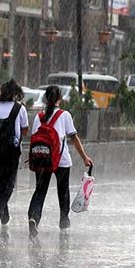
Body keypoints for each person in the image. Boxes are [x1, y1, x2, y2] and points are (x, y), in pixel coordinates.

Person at [27, 85, 93, 236]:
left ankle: (34, 218)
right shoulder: (64, 115)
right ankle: (64, 220)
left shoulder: (39, 117)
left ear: (45, 98)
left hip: (42, 159)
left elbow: (34, 138)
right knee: (63, 191)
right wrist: (84, 157)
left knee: (40, 190)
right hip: (61, 161)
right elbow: (74, 138)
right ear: (60, 99)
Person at [0, 79, 29, 232]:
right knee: (10, 183)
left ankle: (4, 216)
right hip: (12, 150)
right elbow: (25, 130)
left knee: (0, 182)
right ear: (15, 93)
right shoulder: (19, 108)